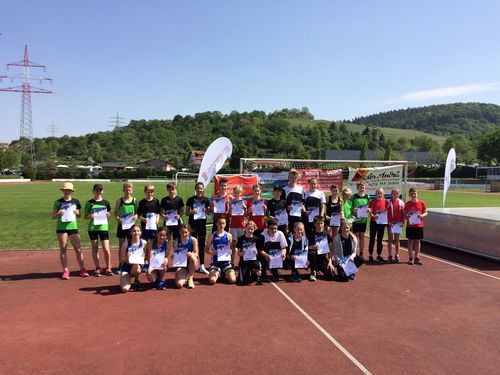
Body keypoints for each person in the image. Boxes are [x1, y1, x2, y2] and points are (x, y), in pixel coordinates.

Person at [52, 182, 89, 280]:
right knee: (63, 249)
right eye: (65, 190)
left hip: (73, 227)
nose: (66, 192)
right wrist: (58, 213)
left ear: (71, 191)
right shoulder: (58, 202)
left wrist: (78, 213)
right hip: (61, 228)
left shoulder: (76, 201)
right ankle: (65, 270)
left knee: (78, 249)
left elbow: (80, 214)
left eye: (68, 190)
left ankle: (82, 269)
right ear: (63, 191)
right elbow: (53, 216)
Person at [84, 183, 112, 277]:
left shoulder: (106, 202)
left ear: (102, 191)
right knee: (95, 249)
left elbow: (108, 214)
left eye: (100, 190)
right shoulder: (89, 203)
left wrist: (108, 215)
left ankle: (108, 267)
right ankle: (97, 268)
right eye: (96, 190)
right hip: (93, 228)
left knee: (106, 249)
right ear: (93, 191)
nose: (98, 191)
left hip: (103, 227)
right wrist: (91, 216)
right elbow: (85, 216)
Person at [186, 182, 210, 274]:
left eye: (201, 188)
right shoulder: (191, 199)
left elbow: (209, 212)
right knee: (192, 244)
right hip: (192, 224)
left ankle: (202, 265)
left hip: (202, 224)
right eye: (198, 188)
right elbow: (186, 213)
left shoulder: (205, 199)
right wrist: (191, 212)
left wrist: (206, 210)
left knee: (201, 244)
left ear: (203, 189)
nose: (199, 190)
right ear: (195, 189)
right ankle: (192, 264)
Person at [114, 182, 138, 274]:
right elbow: (115, 212)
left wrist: (136, 216)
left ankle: (131, 263)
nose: (128, 192)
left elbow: (137, 212)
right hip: (122, 226)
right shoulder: (120, 201)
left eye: (130, 190)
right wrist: (118, 218)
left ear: (132, 191)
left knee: (131, 245)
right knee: (121, 246)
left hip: (131, 227)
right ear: (123, 190)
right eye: (126, 190)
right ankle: (121, 265)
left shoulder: (135, 200)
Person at [205, 215, 236, 285]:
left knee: (233, 280)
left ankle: (224, 272)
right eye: (219, 223)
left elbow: (231, 249)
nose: (221, 225)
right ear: (216, 224)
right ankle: (216, 272)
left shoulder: (229, 235)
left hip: (226, 262)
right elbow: (206, 249)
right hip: (216, 262)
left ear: (225, 224)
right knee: (212, 281)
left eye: (223, 223)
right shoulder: (212, 235)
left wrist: (230, 252)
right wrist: (212, 253)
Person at [306, 216, 336, 281]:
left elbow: (330, 248)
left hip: (322, 258)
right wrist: (311, 247)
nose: (320, 225)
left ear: (324, 223)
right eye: (318, 223)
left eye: (321, 223)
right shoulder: (311, 234)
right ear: (314, 224)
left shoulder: (326, 234)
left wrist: (330, 262)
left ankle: (319, 267)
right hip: (312, 257)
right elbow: (304, 248)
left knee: (332, 276)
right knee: (312, 253)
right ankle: (313, 271)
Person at [171, 224, 199, 289]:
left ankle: (190, 278)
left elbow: (196, 253)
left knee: (193, 257)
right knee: (179, 285)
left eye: (186, 232)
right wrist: (174, 257)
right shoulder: (176, 241)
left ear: (189, 232)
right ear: (179, 232)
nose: (184, 234)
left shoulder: (193, 240)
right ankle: (185, 275)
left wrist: (191, 254)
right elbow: (175, 255)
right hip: (182, 264)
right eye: (182, 232)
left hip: (191, 262)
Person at [404, 188, 428, 265]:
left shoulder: (421, 203)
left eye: (415, 193)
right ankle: (411, 258)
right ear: (409, 195)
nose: (413, 195)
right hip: (410, 225)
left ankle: (417, 257)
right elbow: (404, 215)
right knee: (410, 241)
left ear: (417, 194)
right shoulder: (407, 204)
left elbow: (426, 212)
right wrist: (407, 216)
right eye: (412, 194)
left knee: (417, 241)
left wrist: (421, 215)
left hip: (419, 225)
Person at [138, 184, 161, 262]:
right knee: (145, 243)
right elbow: (138, 215)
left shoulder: (156, 201)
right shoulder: (141, 202)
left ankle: (153, 259)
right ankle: (145, 260)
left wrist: (157, 219)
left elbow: (158, 212)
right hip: (145, 226)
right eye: (148, 192)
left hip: (154, 225)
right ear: (145, 192)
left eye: (151, 192)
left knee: (154, 242)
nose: (150, 193)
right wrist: (142, 218)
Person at [120, 225, 145, 292]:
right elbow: (121, 260)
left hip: (137, 266)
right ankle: (127, 278)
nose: (136, 233)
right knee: (125, 289)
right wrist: (126, 257)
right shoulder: (125, 244)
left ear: (141, 232)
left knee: (136, 266)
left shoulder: (144, 243)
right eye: (134, 231)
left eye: (138, 231)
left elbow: (147, 257)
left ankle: (136, 280)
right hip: (127, 266)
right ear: (130, 233)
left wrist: (144, 258)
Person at [368, 188, 389, 263]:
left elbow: (387, 212)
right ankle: (370, 255)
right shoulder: (372, 201)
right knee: (372, 238)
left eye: (381, 193)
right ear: (376, 193)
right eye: (378, 193)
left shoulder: (386, 202)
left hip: (382, 223)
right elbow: (370, 211)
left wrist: (386, 221)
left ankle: (379, 255)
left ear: (383, 194)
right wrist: (372, 214)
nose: (380, 194)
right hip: (374, 222)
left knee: (380, 239)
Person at [351, 183, 370, 257]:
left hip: (363, 220)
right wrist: (353, 209)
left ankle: (361, 254)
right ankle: (354, 253)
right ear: (357, 188)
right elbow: (350, 207)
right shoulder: (354, 197)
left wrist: (369, 210)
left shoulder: (367, 197)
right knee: (355, 237)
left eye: (363, 187)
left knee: (362, 236)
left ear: (365, 188)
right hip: (356, 220)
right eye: (360, 187)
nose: (362, 188)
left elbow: (369, 207)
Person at [229, 185, 247, 262]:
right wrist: (230, 210)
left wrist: (245, 209)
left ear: (241, 193)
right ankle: (232, 261)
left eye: (238, 193)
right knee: (233, 244)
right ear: (233, 193)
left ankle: (241, 261)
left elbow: (246, 215)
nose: (237, 194)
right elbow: (229, 214)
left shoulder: (244, 201)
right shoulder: (231, 201)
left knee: (242, 244)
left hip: (241, 224)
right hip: (233, 225)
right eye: (235, 192)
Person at [387, 188, 405, 263]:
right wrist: (388, 222)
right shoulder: (388, 203)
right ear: (391, 194)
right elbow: (386, 214)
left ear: (399, 194)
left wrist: (402, 222)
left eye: (397, 194)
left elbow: (404, 213)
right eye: (394, 194)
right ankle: (390, 255)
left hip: (398, 224)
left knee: (397, 240)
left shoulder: (401, 203)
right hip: (390, 224)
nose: (396, 195)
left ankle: (397, 255)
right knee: (390, 239)